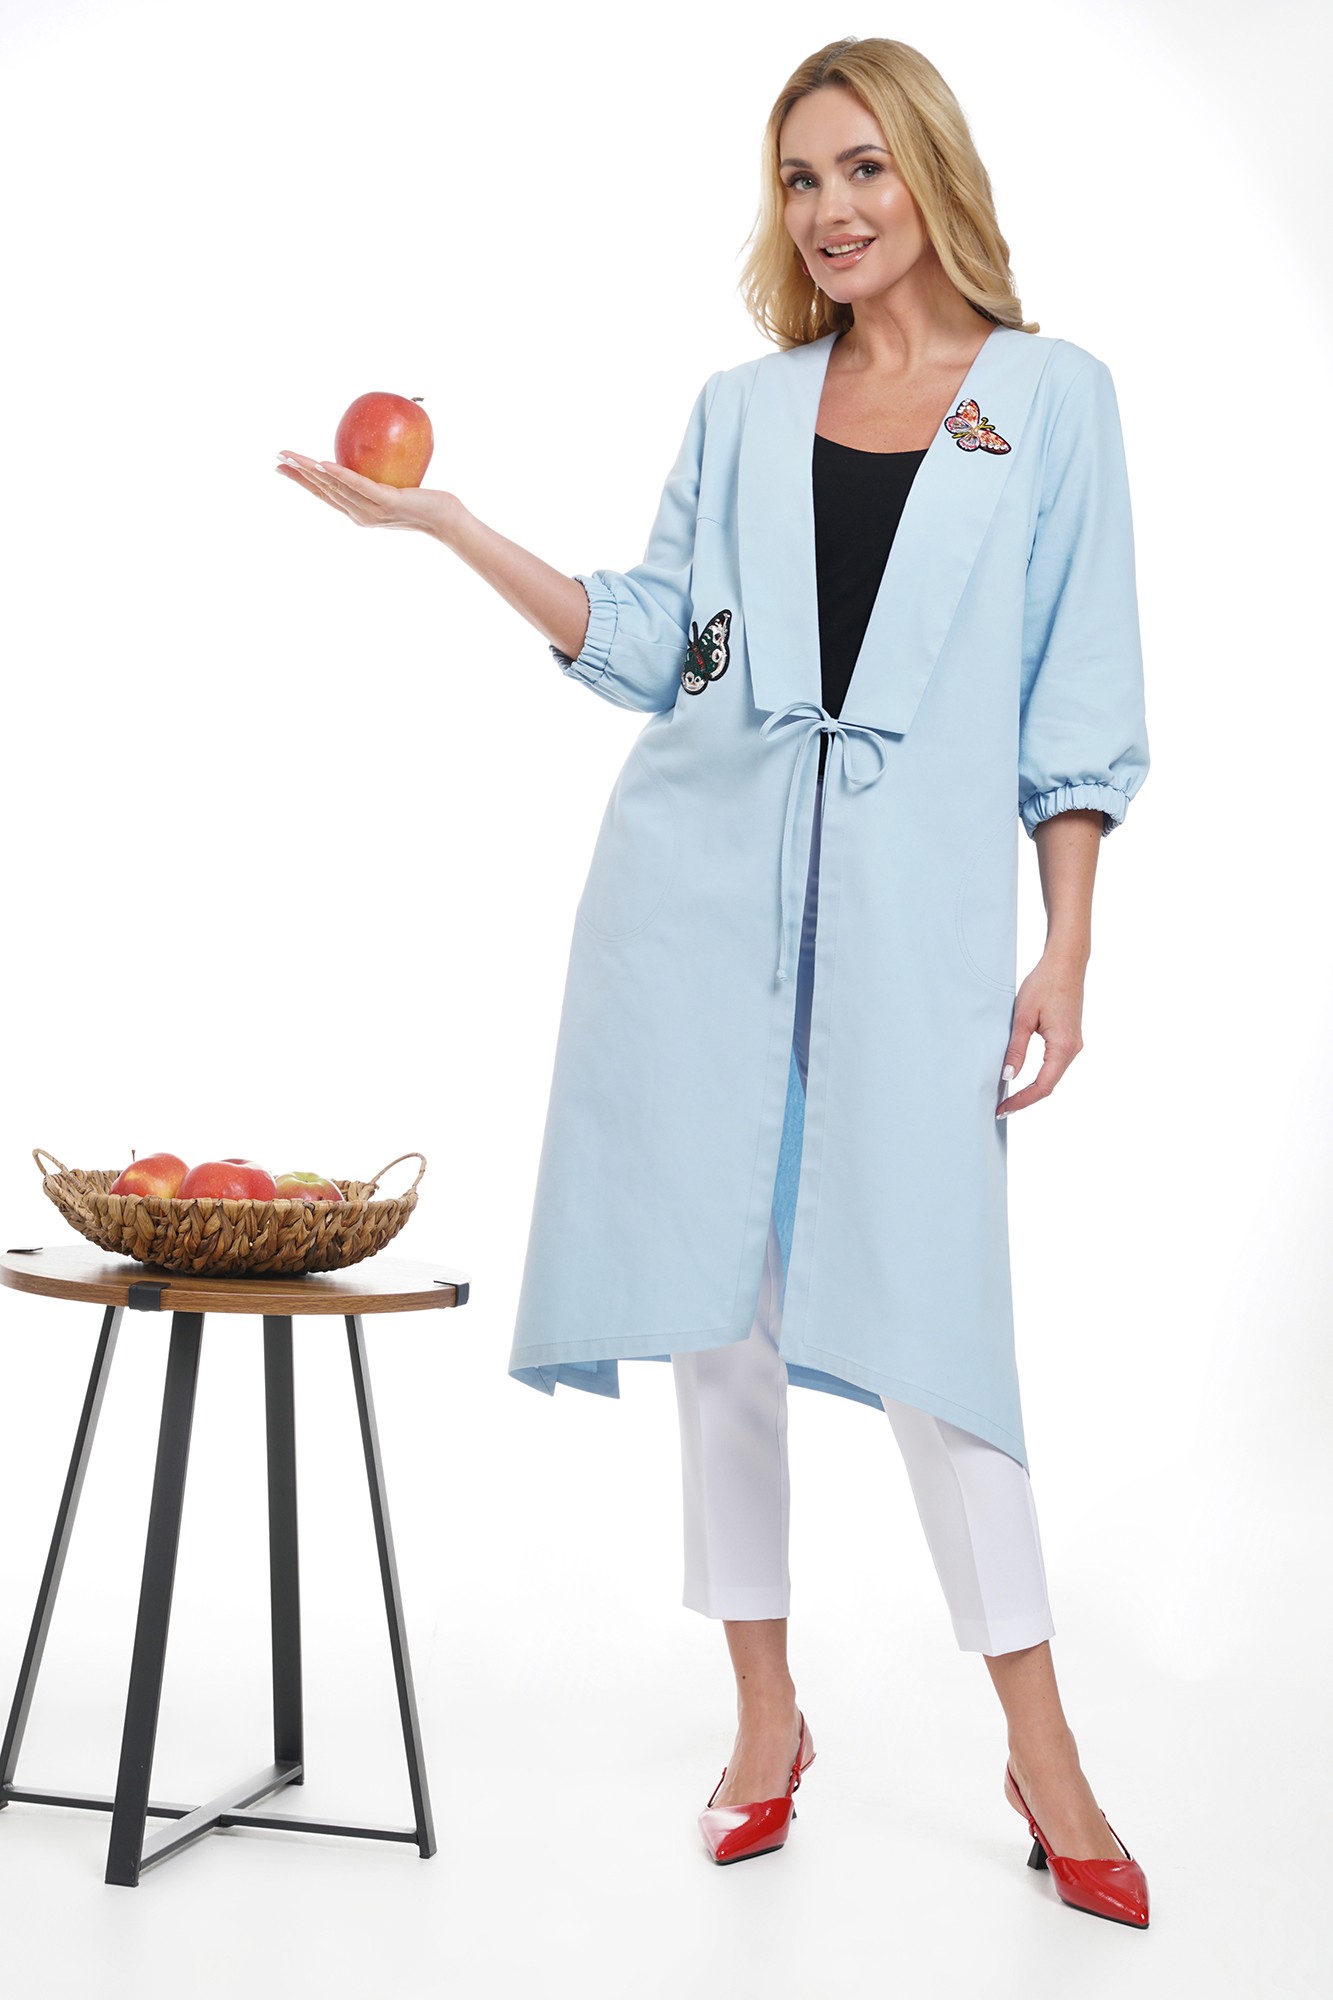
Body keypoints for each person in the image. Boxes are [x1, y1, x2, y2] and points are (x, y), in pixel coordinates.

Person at [275, 34, 1151, 1930]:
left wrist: (1066, 942)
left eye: (862, 168)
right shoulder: (742, 411)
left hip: (914, 930)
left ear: (929, 172)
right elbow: (660, 640)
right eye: (799, 179)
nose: (829, 210)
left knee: (940, 1339)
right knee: (720, 1320)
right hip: (691, 908)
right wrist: (448, 528)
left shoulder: (1050, 402)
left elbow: (1075, 696)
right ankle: (763, 1717)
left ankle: (1043, 1744)